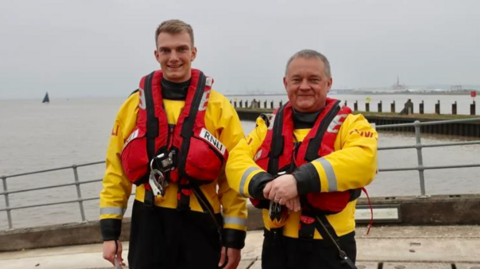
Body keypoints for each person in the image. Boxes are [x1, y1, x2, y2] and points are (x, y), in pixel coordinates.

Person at [99, 19, 248, 269]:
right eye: (166, 50)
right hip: (148, 223)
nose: (174, 57)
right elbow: (115, 172)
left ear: (193, 52)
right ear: (156, 54)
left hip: (201, 221)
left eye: (181, 49)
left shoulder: (220, 108)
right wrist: (110, 233)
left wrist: (233, 238)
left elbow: (232, 177)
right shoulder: (132, 106)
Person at [226, 49, 378, 269]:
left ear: (329, 83)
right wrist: (269, 186)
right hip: (276, 245)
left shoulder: (352, 124)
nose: (304, 86)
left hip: (329, 245)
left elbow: (364, 159)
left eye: (314, 79)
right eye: (297, 80)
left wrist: (298, 181)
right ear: (286, 83)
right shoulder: (266, 127)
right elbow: (236, 162)